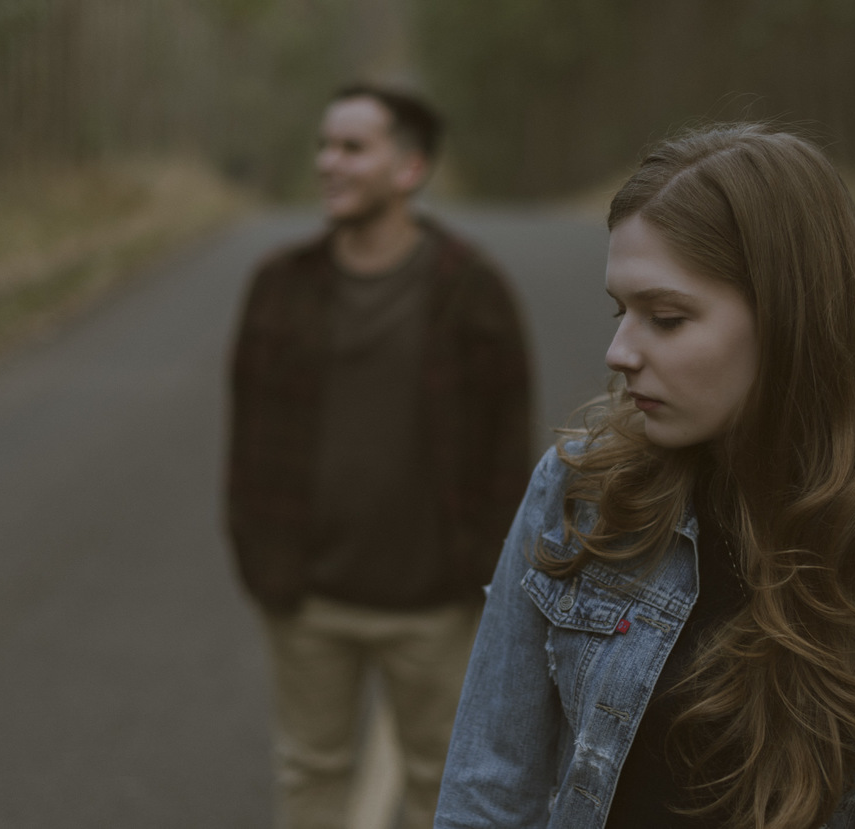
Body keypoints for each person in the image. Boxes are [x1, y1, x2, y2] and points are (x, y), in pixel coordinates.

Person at [434, 123, 855, 828]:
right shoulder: (576, 494)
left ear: (788, 319)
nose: (619, 351)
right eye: (622, 311)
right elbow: (487, 791)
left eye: (666, 317)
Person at [226, 82, 533, 829]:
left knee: (450, 785)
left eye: (352, 147)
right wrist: (260, 556)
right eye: (324, 145)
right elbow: (247, 440)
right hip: (307, 600)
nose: (329, 162)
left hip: (437, 608)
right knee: (310, 774)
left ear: (409, 168)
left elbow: (508, 450)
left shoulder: (472, 289)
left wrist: (486, 578)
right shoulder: (279, 285)